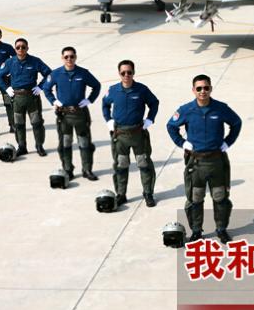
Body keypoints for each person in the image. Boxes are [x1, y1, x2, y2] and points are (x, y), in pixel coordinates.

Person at [167, 74, 242, 243]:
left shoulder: (221, 108)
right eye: (199, 88)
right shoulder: (186, 110)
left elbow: (236, 123)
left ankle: (221, 229)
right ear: (193, 90)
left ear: (210, 89)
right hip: (196, 163)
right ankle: (196, 231)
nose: (202, 91)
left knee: (220, 197)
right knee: (195, 198)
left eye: (206, 88)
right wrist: (182, 143)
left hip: (217, 161)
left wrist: (228, 142)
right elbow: (171, 126)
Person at [101, 60, 159, 207]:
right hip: (120, 135)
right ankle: (121, 194)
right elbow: (105, 104)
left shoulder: (141, 90)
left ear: (133, 72)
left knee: (144, 164)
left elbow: (154, 103)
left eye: (129, 72)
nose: (126, 75)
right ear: (119, 74)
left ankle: (148, 193)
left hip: (138, 134)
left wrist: (150, 119)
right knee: (121, 165)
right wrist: (108, 120)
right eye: (123, 73)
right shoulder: (113, 90)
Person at [42, 46, 101, 182]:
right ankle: (68, 169)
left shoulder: (83, 73)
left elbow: (96, 86)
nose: (69, 59)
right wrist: (54, 101)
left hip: (80, 114)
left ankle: (87, 170)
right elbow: (46, 88)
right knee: (65, 144)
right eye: (66, 57)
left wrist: (89, 100)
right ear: (62, 58)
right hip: (64, 116)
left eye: (72, 56)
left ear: (75, 57)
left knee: (84, 143)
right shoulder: (56, 74)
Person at [0, 38, 51, 156]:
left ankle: (39, 145)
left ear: (27, 48)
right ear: (15, 49)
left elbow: (49, 74)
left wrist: (41, 86)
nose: (21, 49)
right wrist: (7, 88)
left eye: (23, 47)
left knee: (37, 123)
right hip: (17, 99)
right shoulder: (10, 62)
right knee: (19, 124)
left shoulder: (35, 61)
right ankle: (22, 146)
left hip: (32, 97)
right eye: (18, 47)